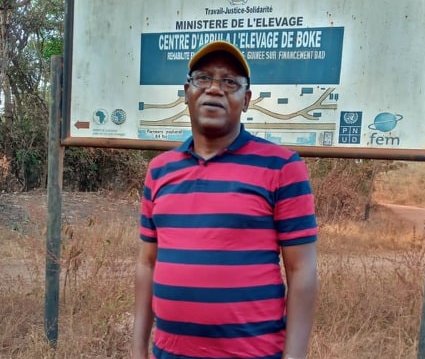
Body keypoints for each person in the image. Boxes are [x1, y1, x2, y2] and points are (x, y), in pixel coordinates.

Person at [133, 40, 318, 359]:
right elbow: (147, 263)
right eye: (203, 78)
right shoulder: (160, 171)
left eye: (229, 82)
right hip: (169, 353)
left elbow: (302, 271)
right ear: (186, 92)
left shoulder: (283, 167)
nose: (215, 89)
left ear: (245, 100)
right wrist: (137, 348)